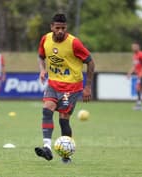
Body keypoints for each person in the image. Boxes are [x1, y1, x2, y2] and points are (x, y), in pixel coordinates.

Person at [34, 13, 95, 163]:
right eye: (57, 28)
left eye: (63, 28)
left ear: (66, 27)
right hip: (53, 84)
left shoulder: (74, 43)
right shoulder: (45, 39)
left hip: (71, 87)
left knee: (63, 120)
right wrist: (42, 70)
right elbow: (41, 56)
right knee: (46, 110)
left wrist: (87, 87)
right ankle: (47, 147)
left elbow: (91, 62)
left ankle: (66, 155)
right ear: (52, 27)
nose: (60, 31)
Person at [127, 42, 142, 111]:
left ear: (138, 47)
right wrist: (130, 73)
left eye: (135, 46)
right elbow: (135, 66)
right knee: (138, 89)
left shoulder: (141, 54)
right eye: (132, 47)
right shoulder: (134, 56)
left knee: (141, 89)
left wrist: (141, 73)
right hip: (139, 75)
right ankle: (139, 104)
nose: (133, 48)